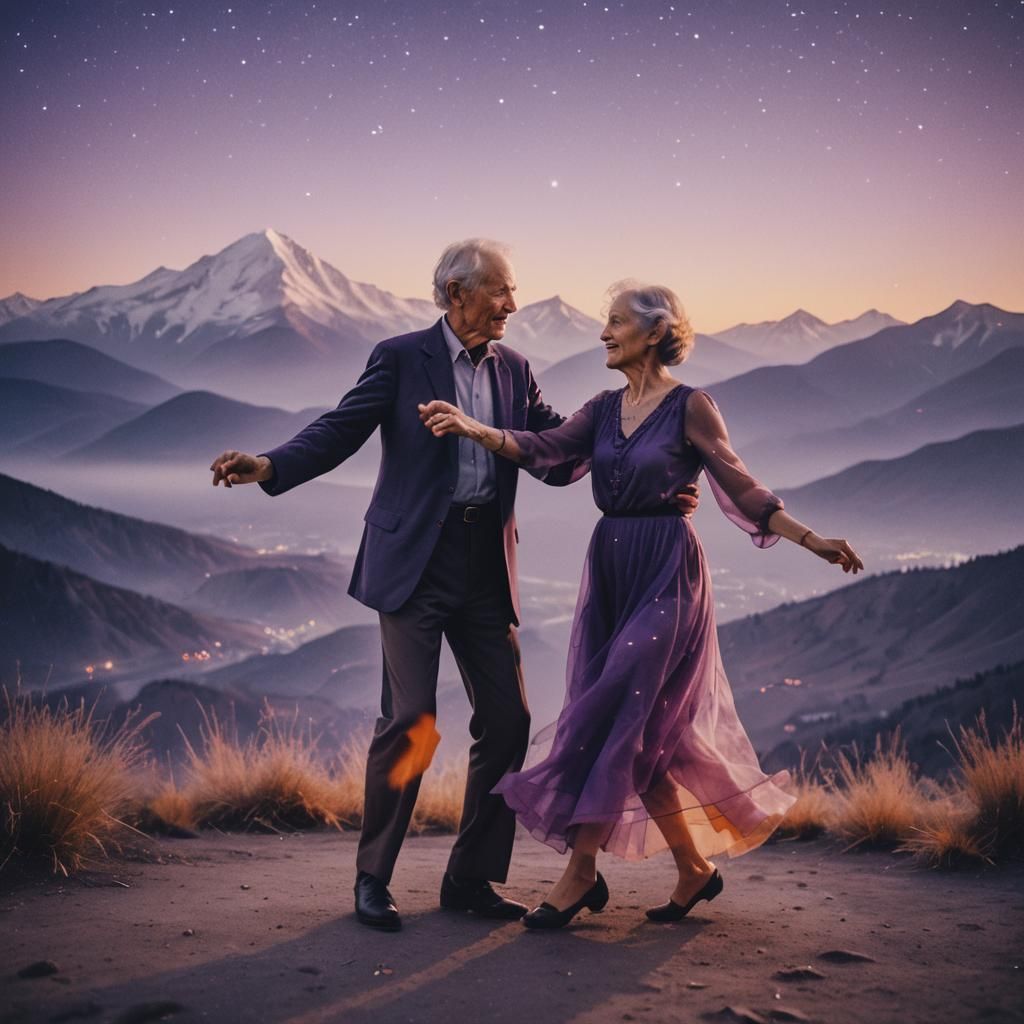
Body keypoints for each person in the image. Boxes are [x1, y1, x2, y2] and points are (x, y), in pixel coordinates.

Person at [209, 243, 700, 932]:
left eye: (513, 291)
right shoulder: (401, 356)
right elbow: (342, 429)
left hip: (484, 566)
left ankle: (470, 879)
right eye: (501, 291)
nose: (512, 304)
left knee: (509, 722)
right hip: (413, 563)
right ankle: (372, 878)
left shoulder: (515, 370)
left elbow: (553, 453)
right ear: (455, 292)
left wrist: (645, 439)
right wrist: (268, 465)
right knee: (412, 722)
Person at [419, 280, 864, 930]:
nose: (603, 333)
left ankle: (580, 872)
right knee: (645, 731)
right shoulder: (602, 409)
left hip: (667, 573)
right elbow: (542, 450)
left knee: (612, 709)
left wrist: (809, 538)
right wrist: (470, 428)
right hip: (610, 571)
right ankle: (694, 869)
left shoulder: (691, 406)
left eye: (617, 322)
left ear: (655, 332)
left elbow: (738, 482)